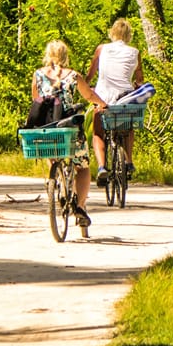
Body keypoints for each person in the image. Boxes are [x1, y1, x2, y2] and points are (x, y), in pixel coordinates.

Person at [33, 39, 107, 227]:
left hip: (46, 127)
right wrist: (102, 104)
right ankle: (80, 207)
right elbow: (89, 95)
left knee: (53, 151)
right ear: (66, 56)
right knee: (82, 167)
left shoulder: (38, 75)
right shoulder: (74, 76)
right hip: (68, 127)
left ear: (47, 55)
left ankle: (58, 181)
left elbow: (35, 99)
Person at [85, 18, 143, 185]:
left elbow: (90, 75)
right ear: (128, 36)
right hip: (125, 98)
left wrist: (86, 87)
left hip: (104, 99)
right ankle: (129, 161)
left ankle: (102, 167)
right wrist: (136, 85)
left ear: (112, 33)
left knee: (98, 133)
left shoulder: (102, 49)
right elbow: (139, 79)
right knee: (128, 126)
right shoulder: (135, 52)